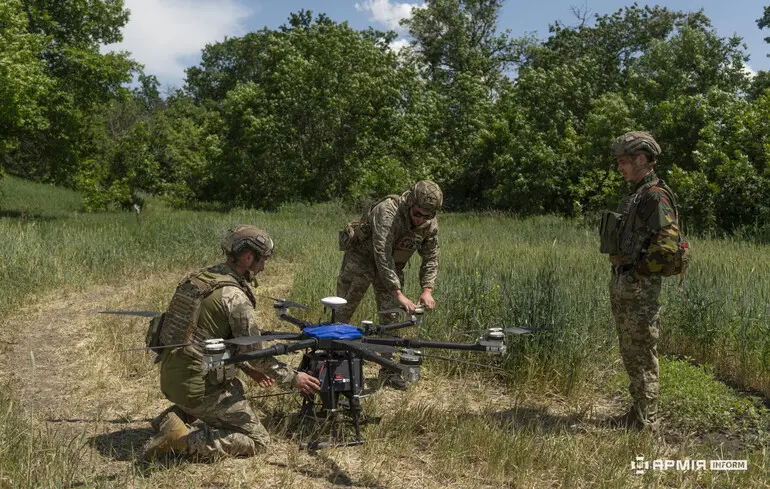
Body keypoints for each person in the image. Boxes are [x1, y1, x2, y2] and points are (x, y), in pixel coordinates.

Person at [143, 226, 321, 459]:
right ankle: (182, 441)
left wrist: (248, 369)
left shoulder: (199, 279)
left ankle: (173, 417)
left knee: (238, 386)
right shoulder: (234, 298)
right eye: (262, 260)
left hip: (172, 378)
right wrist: (294, 377)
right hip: (197, 388)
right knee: (258, 441)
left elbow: (205, 341)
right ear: (248, 257)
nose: (263, 267)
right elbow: (257, 355)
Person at [601, 131, 683, 429]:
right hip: (627, 283)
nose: (620, 168)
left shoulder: (654, 196)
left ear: (640, 159)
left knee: (642, 352)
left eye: (623, 162)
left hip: (639, 287)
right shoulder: (638, 194)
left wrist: (636, 275)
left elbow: (668, 245)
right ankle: (637, 413)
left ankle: (645, 420)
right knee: (631, 351)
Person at [335, 180, 442, 389]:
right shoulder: (388, 211)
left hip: (392, 266)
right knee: (342, 310)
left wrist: (427, 289)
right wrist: (399, 293)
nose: (421, 219)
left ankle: (388, 369)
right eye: (418, 214)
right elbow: (381, 254)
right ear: (411, 202)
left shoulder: (429, 223)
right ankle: (330, 360)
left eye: (427, 216)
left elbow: (431, 256)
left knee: (391, 317)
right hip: (362, 260)